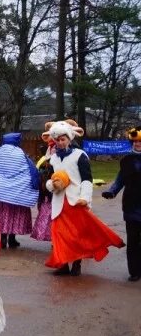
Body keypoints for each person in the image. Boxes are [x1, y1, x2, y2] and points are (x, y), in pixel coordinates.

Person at [44, 120, 124, 276]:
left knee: (76, 235)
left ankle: (77, 264)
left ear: (69, 138)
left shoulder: (80, 155)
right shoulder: (53, 159)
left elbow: (87, 179)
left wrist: (85, 198)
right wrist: (52, 185)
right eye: (58, 140)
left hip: (75, 202)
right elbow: (48, 179)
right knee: (59, 235)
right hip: (59, 202)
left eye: (63, 139)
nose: (60, 143)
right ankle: (63, 264)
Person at [0, 132, 39, 249]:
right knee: (14, 215)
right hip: (17, 193)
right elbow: (31, 170)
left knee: (3, 214)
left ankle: (3, 237)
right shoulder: (21, 154)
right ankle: (12, 238)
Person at [102, 126, 141, 282]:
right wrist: (112, 191)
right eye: (136, 141)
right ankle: (134, 271)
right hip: (131, 204)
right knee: (132, 239)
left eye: (140, 141)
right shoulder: (127, 159)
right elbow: (120, 179)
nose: (138, 144)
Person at [31, 130, 56, 242]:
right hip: (47, 191)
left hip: (54, 190)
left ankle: (55, 238)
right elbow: (39, 170)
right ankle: (53, 238)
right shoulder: (45, 158)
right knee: (48, 214)